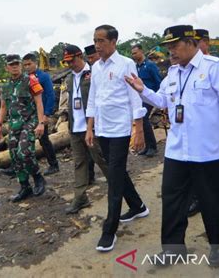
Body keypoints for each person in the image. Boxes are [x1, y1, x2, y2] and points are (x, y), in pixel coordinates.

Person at [125, 25, 219, 267]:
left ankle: (218, 245)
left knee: (213, 201)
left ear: (191, 43)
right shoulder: (173, 73)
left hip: (208, 151)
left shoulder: (214, 67)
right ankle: (173, 249)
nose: (171, 52)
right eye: (167, 47)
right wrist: (143, 90)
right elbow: (163, 101)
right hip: (177, 151)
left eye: (175, 45)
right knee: (172, 201)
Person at [85, 25, 149, 252]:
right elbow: (93, 99)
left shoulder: (126, 64)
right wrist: (90, 127)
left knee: (113, 178)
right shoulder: (96, 67)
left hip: (121, 130)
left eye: (101, 41)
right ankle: (138, 205)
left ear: (114, 41)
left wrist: (138, 128)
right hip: (102, 130)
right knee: (117, 172)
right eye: (95, 41)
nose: (97, 45)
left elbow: (135, 97)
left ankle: (109, 230)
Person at [186, 29, 219, 218]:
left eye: (197, 42)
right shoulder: (187, 67)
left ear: (206, 43)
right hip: (195, 127)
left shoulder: (218, 65)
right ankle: (198, 197)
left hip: (217, 125)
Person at [63, 44, 108, 215]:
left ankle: (119, 188)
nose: (70, 64)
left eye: (72, 60)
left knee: (101, 159)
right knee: (79, 163)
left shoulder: (93, 73)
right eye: (67, 61)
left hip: (93, 127)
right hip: (75, 127)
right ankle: (80, 197)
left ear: (80, 56)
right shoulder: (68, 78)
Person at [0, 54, 47, 202]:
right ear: (7, 67)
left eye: (17, 64)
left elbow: (39, 102)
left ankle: (38, 177)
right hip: (14, 124)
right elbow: (3, 106)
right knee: (14, 155)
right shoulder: (5, 86)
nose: (14, 66)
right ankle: (24, 187)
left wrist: (41, 123)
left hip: (30, 121)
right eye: (11, 64)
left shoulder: (31, 80)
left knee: (24, 151)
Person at [22, 53, 59, 175]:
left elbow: (50, 95)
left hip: (40, 114)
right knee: (25, 141)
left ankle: (53, 164)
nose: (27, 67)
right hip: (27, 115)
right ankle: (25, 167)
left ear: (35, 62)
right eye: (25, 65)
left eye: (29, 64)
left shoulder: (43, 77)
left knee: (43, 140)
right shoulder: (24, 78)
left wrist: (46, 115)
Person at [131, 44, 162, 157]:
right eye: (132, 53)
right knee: (140, 120)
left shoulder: (150, 65)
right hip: (139, 98)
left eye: (135, 53)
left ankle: (152, 147)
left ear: (141, 51)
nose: (133, 55)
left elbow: (158, 81)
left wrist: (159, 99)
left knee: (143, 118)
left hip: (150, 97)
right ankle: (146, 146)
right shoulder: (135, 67)